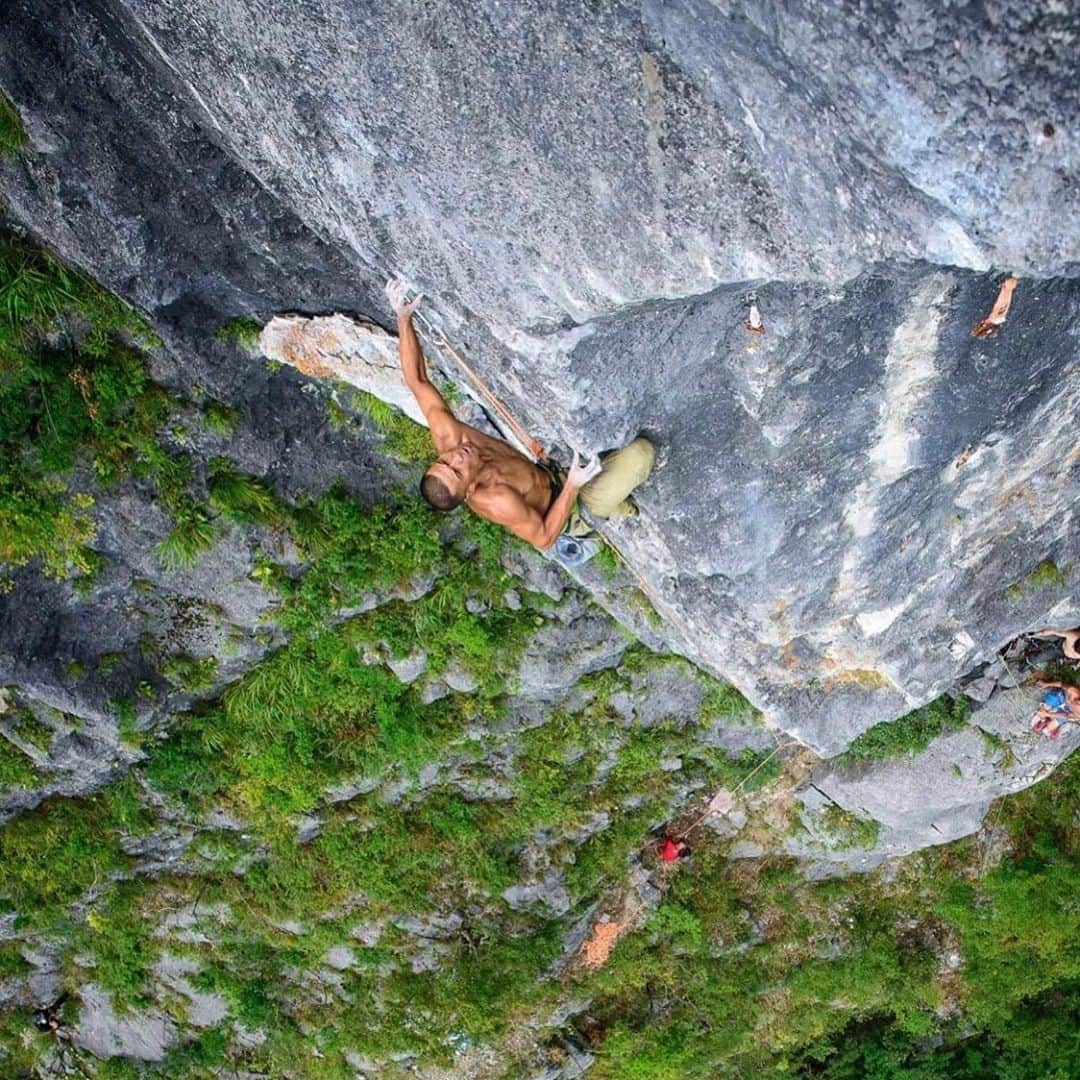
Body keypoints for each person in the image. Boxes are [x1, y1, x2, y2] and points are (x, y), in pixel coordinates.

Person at [386, 278, 655, 550]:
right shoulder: (495, 498)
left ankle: (610, 492)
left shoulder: (451, 439)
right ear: (468, 490)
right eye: (457, 471)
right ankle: (617, 510)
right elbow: (544, 539)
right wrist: (573, 485)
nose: (455, 458)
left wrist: (403, 317)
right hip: (576, 506)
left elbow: (417, 382)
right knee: (641, 453)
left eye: (443, 462)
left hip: (556, 472)